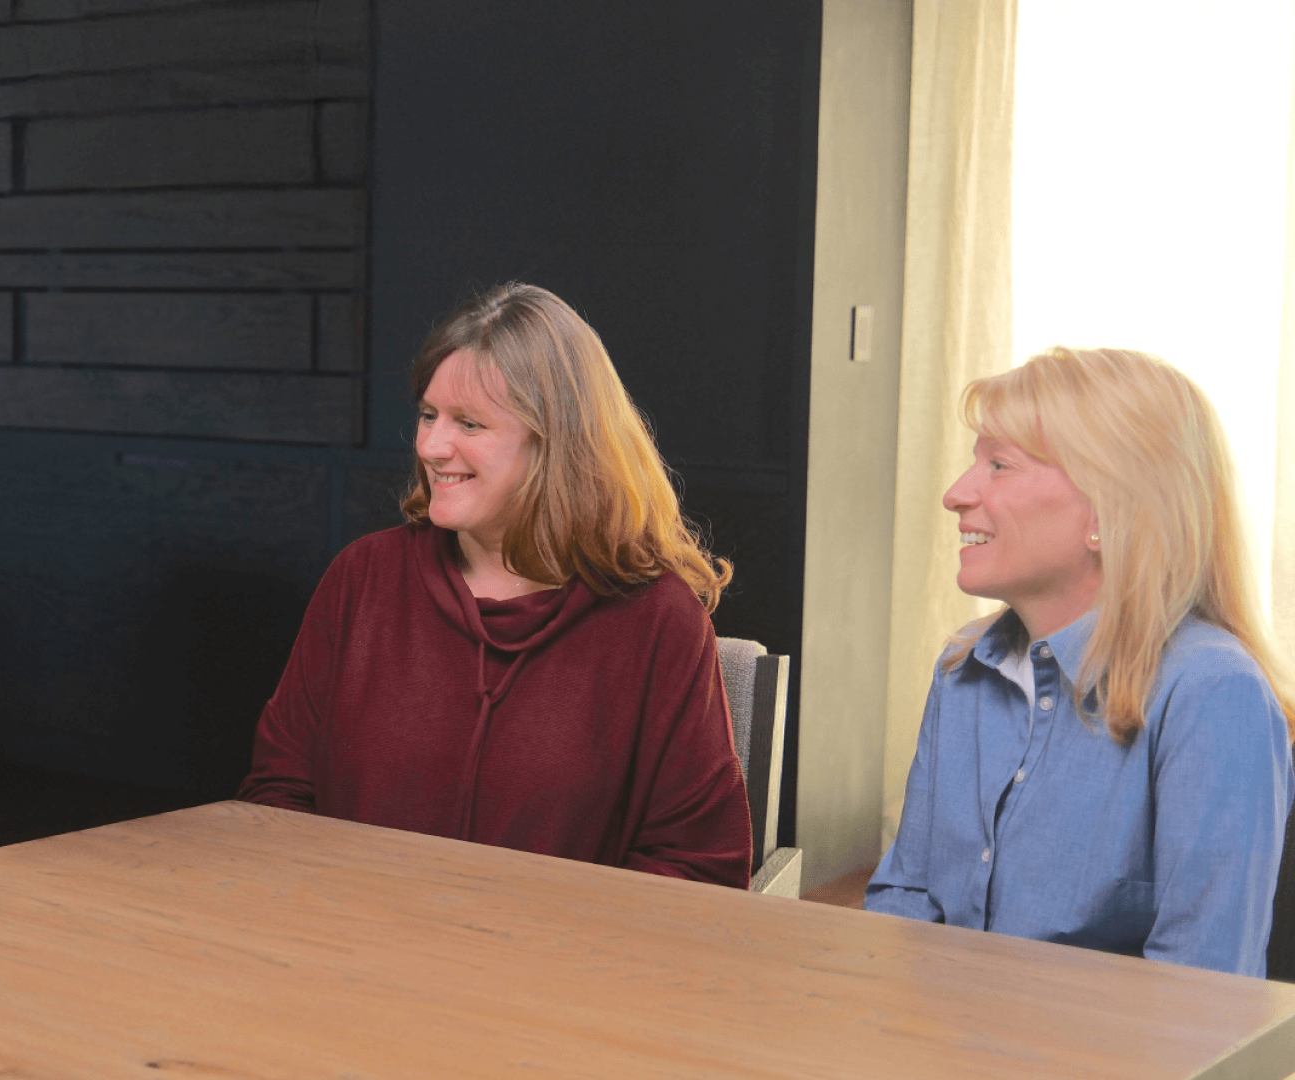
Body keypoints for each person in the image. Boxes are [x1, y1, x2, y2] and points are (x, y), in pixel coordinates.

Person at [238, 283, 751, 885]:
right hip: (353, 947)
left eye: (470, 423)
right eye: (429, 415)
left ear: (556, 444)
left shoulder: (658, 619)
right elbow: (278, 792)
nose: (431, 446)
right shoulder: (362, 577)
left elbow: (697, 866)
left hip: (555, 967)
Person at [867, 347, 1294, 975]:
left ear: (1105, 511)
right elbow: (905, 898)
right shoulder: (962, 665)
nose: (956, 493)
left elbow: (1200, 996)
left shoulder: (1211, 691)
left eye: (1000, 465)